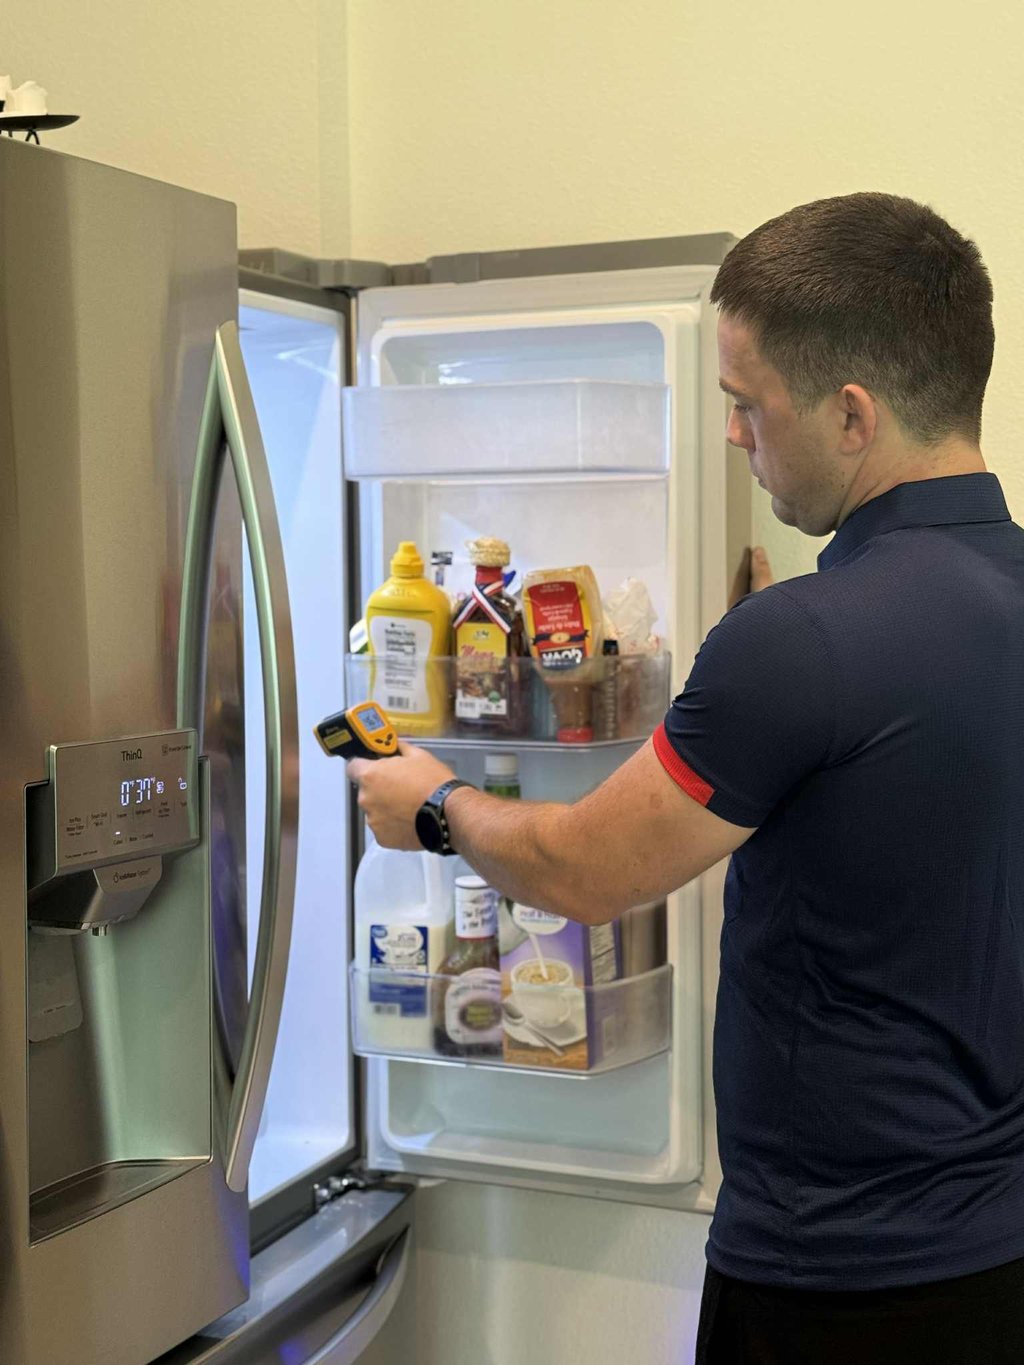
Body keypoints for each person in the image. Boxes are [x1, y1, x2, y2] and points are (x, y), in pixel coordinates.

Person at [347, 192, 1024, 1363]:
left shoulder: (803, 641)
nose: (731, 434)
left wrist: (435, 808)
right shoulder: (935, 609)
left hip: (838, 1276)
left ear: (852, 414)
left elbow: (589, 871)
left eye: (743, 402)